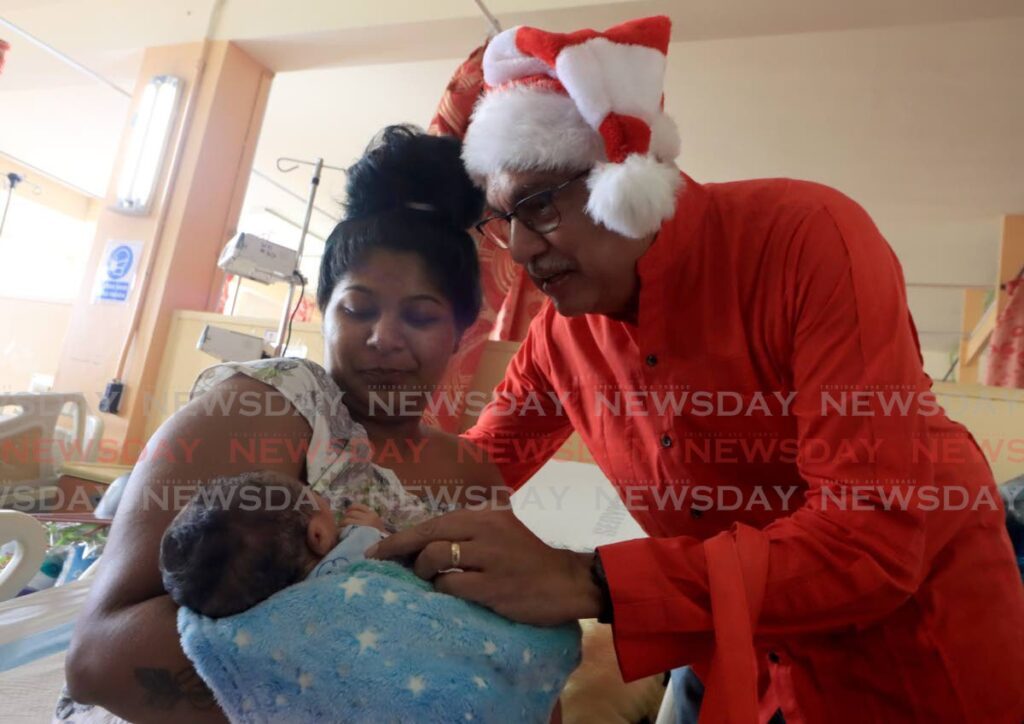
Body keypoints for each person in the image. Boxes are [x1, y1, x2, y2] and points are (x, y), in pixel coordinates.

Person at [369, 16, 1024, 723]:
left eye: (540, 206)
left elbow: (873, 533)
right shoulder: (562, 337)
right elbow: (477, 467)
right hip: (742, 662)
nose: (522, 248)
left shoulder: (808, 241)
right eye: (503, 219)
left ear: (622, 179)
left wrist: (586, 579)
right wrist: (331, 474)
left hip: (915, 658)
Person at [63, 125, 502, 723]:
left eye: (421, 316)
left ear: (465, 332)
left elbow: (505, 647)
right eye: (358, 309)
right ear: (323, 312)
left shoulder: (472, 475)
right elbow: (100, 659)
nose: (383, 338)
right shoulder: (270, 408)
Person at [159, 472, 387, 618]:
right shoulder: (362, 544)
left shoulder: (272, 622)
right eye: (311, 492)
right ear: (318, 537)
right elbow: (407, 560)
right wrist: (377, 530)